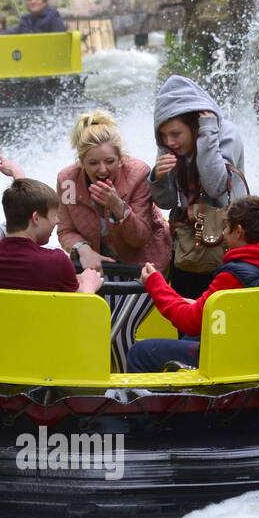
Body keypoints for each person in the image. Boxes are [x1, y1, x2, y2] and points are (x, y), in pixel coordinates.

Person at [126, 196, 259, 373]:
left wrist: (155, 283)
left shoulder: (235, 275)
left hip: (234, 359)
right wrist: (193, 304)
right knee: (193, 337)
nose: (223, 233)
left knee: (140, 352)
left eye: (226, 227)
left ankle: (173, 404)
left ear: (238, 232)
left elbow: (188, 321)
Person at [56, 109, 173, 368]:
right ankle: (98, 387)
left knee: (119, 332)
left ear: (120, 159)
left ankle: (130, 392)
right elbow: (64, 229)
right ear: (81, 162)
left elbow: (140, 237)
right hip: (102, 268)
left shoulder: (138, 174)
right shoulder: (67, 181)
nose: (102, 169)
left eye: (109, 161)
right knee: (95, 328)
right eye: (93, 163)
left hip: (144, 267)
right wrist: (82, 248)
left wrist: (118, 207)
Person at [150, 74, 246, 299]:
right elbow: (166, 202)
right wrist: (159, 176)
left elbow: (216, 186)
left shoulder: (224, 132)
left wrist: (207, 134)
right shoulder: (170, 147)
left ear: (194, 125)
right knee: (186, 317)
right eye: (163, 136)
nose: (170, 141)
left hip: (227, 244)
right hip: (190, 248)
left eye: (176, 134)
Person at [0, 179, 103, 295]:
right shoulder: (56, 262)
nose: (57, 221)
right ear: (36, 218)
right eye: (54, 216)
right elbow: (84, 309)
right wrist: (89, 286)